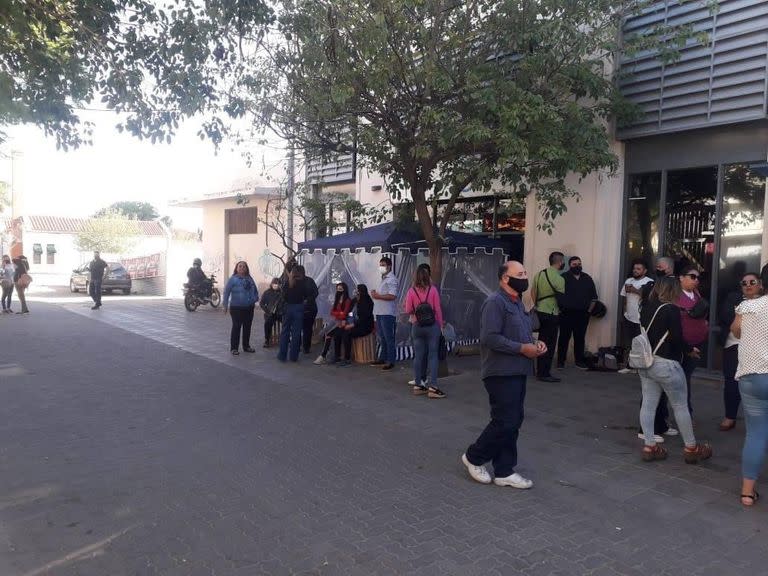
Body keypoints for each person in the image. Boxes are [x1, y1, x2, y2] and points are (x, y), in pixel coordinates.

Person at [462, 260, 546, 488]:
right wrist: (522, 348)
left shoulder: (518, 303)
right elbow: (490, 337)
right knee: (505, 421)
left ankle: (504, 470)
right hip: (500, 371)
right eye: (520, 273)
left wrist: (536, 344)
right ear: (505, 278)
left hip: (519, 369)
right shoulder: (494, 302)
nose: (525, 277)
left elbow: (523, 333)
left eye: (526, 272)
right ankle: (474, 457)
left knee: (514, 420)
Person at [636, 277, 712, 465]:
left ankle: (649, 446)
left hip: (647, 363)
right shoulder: (671, 309)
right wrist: (689, 350)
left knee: (648, 403)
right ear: (672, 290)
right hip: (667, 363)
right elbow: (677, 337)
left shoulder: (646, 307)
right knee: (680, 406)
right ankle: (691, 448)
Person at [731, 264, 768, 507]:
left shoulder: (746, 306)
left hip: (749, 376)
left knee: (755, 434)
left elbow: (735, 332)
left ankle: (747, 493)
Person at [718, 272, 763, 431]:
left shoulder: (764, 302)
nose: (748, 285)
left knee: (757, 384)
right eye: (744, 283)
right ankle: (729, 416)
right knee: (731, 382)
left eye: (752, 282)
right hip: (733, 346)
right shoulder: (733, 298)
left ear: (760, 284)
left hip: (757, 349)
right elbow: (725, 316)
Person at [405, 265, 445, 398]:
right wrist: (440, 325)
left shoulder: (411, 291)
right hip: (432, 326)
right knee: (432, 355)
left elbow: (408, 310)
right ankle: (433, 387)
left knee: (418, 356)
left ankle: (418, 385)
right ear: (428, 277)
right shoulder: (433, 290)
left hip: (417, 325)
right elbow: (437, 309)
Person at [677, 265, 709, 414]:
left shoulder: (696, 294)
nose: (696, 280)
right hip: (681, 344)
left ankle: (685, 411)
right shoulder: (675, 295)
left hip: (697, 342)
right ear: (681, 278)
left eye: (698, 278)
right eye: (692, 276)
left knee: (686, 377)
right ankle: (684, 412)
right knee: (680, 379)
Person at [557, 256, 597, 370]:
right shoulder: (563, 278)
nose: (577, 266)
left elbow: (594, 297)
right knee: (564, 338)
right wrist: (560, 309)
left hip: (583, 314)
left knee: (580, 338)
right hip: (566, 314)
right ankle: (560, 361)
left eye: (579, 264)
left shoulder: (587, 278)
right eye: (575, 264)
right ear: (570, 265)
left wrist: (589, 312)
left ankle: (579, 361)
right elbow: (558, 295)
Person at [531, 251, 565, 382]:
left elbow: (533, 292)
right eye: (563, 262)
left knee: (541, 341)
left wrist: (537, 305)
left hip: (540, 311)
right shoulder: (560, 279)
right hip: (552, 312)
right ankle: (544, 373)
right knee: (549, 345)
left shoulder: (539, 274)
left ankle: (539, 370)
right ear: (560, 262)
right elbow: (561, 300)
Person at [618, 259, 654, 374]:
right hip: (629, 317)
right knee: (630, 343)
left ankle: (643, 367)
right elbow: (624, 297)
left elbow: (650, 298)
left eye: (638, 269)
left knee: (643, 344)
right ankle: (630, 365)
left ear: (645, 270)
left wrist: (635, 290)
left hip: (641, 319)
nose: (635, 271)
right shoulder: (629, 280)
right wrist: (624, 312)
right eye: (634, 268)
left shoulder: (649, 282)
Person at [222, 261, 259, 355]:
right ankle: (234, 348)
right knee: (236, 327)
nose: (242, 268)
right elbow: (226, 292)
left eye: (244, 266)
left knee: (247, 327)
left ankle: (246, 346)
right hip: (236, 308)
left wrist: (254, 300)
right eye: (240, 266)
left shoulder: (250, 279)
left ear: (246, 268)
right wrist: (225, 305)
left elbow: (255, 290)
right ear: (236, 268)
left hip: (249, 308)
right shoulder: (233, 279)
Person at [278, 262, 312, 362]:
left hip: (288, 307)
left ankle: (282, 355)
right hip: (298, 308)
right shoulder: (303, 283)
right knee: (296, 333)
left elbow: (282, 296)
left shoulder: (286, 283)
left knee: (285, 332)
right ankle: (293, 357)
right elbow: (306, 295)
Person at [314, 282, 353, 365]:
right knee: (323, 332)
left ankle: (323, 355)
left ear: (344, 290)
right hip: (336, 319)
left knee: (329, 334)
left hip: (342, 321)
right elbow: (332, 312)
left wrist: (339, 314)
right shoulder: (337, 299)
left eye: (341, 289)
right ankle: (326, 353)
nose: (339, 290)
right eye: (338, 289)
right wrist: (339, 313)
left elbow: (345, 313)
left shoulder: (347, 300)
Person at [371, 256, 399, 370]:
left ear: (389, 266)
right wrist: (375, 293)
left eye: (383, 265)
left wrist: (378, 296)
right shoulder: (382, 278)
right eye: (380, 265)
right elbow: (381, 293)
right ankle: (382, 357)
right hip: (379, 311)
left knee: (388, 337)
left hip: (387, 312)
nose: (381, 267)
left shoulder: (392, 279)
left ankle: (390, 360)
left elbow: (392, 296)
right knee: (382, 337)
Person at [338, 284, 375, 362]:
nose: (355, 291)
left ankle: (347, 359)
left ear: (360, 292)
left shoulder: (367, 302)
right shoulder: (354, 301)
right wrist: (346, 320)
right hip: (354, 323)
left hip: (364, 326)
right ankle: (337, 356)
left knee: (347, 333)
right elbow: (349, 312)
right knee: (338, 331)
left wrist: (351, 325)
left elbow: (364, 318)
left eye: (357, 290)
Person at [259, 277, 283, 348]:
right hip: (270, 313)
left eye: (278, 283)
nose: (276, 285)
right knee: (267, 323)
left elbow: (286, 303)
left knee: (287, 322)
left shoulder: (282, 293)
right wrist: (267, 310)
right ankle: (267, 340)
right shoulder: (267, 292)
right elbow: (261, 303)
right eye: (275, 283)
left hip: (280, 313)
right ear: (272, 284)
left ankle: (287, 338)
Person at [301, 270, 320, 355]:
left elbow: (316, 292)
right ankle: (297, 345)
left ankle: (306, 347)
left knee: (307, 329)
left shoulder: (310, 281)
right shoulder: (294, 281)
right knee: (299, 328)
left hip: (310, 308)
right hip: (299, 308)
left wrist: (308, 300)